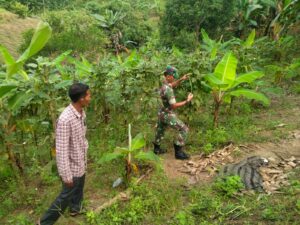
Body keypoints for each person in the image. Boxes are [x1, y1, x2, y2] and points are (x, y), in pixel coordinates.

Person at [38, 83, 91, 225]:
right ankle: (44, 222)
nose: (90, 97)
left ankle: (75, 208)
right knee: (64, 198)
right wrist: (66, 175)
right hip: (71, 167)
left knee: (79, 188)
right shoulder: (65, 119)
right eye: (88, 95)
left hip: (80, 160)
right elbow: (61, 150)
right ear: (81, 99)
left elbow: (81, 136)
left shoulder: (81, 113)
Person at [153, 65, 193, 160]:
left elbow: (172, 84)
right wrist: (187, 100)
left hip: (161, 113)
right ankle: (178, 152)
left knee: (160, 130)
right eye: (173, 76)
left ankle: (156, 149)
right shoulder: (168, 90)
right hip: (167, 114)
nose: (174, 78)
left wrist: (181, 79)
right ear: (168, 76)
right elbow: (174, 105)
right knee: (184, 129)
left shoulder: (163, 84)